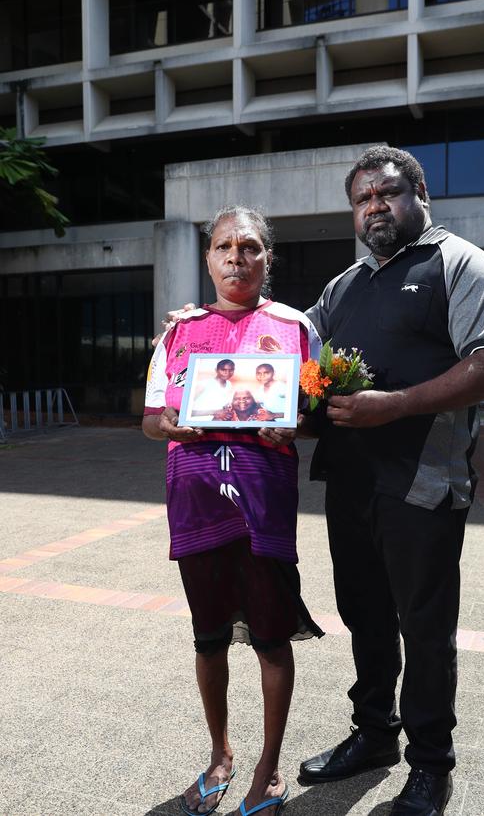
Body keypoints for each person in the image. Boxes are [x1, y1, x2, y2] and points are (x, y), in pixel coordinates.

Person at [297, 145, 484, 816]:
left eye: (387, 194)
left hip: (423, 483)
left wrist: (391, 405)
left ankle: (430, 765)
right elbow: (292, 349)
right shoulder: (346, 286)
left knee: (423, 627)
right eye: (362, 199)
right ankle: (373, 734)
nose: (375, 208)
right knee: (364, 614)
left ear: (419, 192)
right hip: (351, 481)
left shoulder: (458, 263)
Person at [142, 206, 324, 816]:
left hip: (263, 508)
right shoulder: (178, 333)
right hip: (194, 506)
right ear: (208, 258)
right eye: (224, 247)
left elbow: (314, 413)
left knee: (272, 639)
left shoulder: (296, 329)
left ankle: (268, 770)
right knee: (209, 637)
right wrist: (168, 422)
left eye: (249, 247)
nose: (236, 258)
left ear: (268, 258)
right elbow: (149, 420)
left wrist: (293, 428)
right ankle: (220, 754)